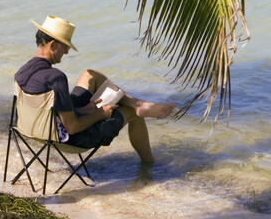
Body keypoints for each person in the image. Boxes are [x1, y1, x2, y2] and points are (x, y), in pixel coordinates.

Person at [13, 14, 176, 165]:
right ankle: (149, 165)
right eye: (65, 46)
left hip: (34, 130)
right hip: (71, 139)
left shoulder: (22, 72)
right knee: (131, 113)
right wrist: (100, 114)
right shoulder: (56, 78)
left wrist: (84, 110)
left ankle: (138, 104)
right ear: (53, 45)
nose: (67, 52)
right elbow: (72, 128)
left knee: (90, 75)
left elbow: (48, 111)